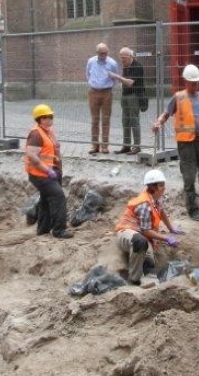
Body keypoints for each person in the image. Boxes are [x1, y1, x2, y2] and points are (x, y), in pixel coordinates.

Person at [151, 64, 199, 220]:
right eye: (192, 82)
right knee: (189, 178)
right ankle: (193, 210)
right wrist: (158, 123)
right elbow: (166, 113)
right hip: (186, 144)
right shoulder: (178, 97)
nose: (195, 85)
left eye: (197, 82)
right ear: (186, 82)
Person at [115, 168, 182, 284]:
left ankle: (150, 280)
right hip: (127, 233)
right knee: (139, 242)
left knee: (149, 263)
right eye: (161, 185)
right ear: (152, 187)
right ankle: (134, 279)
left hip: (143, 236)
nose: (164, 187)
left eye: (163, 184)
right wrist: (166, 238)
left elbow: (161, 212)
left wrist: (171, 228)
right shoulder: (144, 204)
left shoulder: (157, 199)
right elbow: (146, 231)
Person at [25, 103, 74, 239]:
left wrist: (57, 169)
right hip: (41, 174)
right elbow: (32, 156)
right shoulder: (36, 134)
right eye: (48, 117)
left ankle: (43, 229)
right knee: (58, 197)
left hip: (51, 171)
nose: (51, 119)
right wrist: (48, 171)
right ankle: (59, 230)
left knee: (46, 200)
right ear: (40, 119)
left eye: (51, 116)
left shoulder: (48, 131)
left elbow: (53, 150)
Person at [86, 43, 133, 154]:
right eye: (102, 53)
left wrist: (108, 86)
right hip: (93, 92)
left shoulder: (112, 63)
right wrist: (94, 83)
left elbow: (116, 78)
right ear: (97, 53)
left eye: (106, 53)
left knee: (106, 120)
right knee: (94, 120)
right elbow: (87, 74)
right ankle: (94, 145)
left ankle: (105, 146)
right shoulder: (91, 62)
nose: (104, 55)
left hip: (107, 93)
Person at [116, 47, 147, 154]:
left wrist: (117, 77)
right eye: (120, 58)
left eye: (123, 58)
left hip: (134, 96)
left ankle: (137, 146)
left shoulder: (138, 66)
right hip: (125, 95)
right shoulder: (126, 66)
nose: (121, 60)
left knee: (134, 121)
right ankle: (126, 145)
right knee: (125, 121)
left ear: (130, 57)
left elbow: (130, 82)